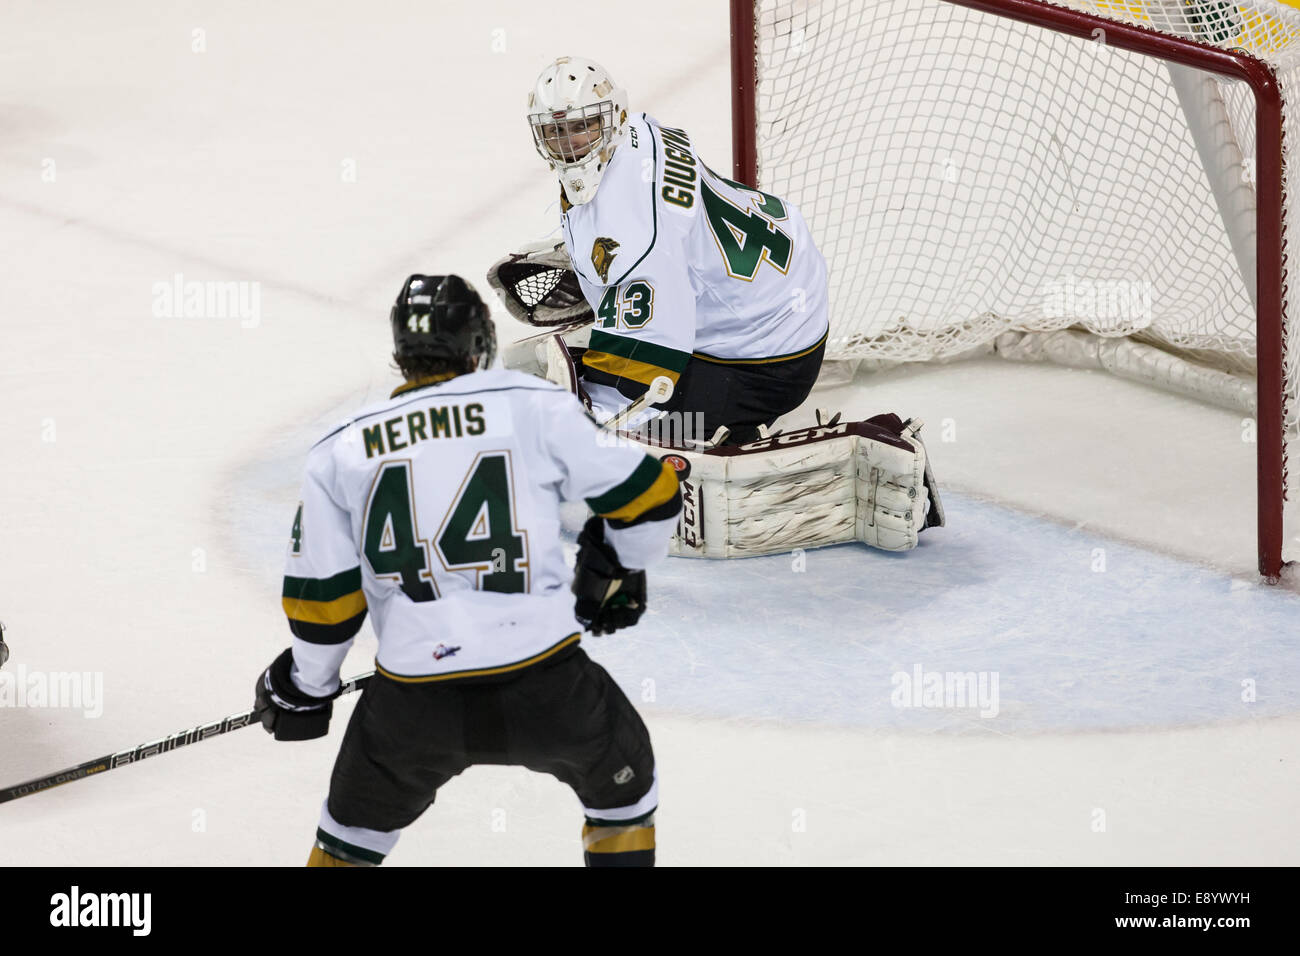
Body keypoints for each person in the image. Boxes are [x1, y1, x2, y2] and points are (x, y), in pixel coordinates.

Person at [252, 273, 680, 866]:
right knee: (623, 793)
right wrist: (618, 566)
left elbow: (325, 602)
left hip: (412, 705)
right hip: (549, 688)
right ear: (480, 344)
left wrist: (307, 687)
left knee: (349, 836)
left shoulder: (341, 448)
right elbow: (653, 496)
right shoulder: (531, 407)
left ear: (401, 355)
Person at [520, 56, 830, 444]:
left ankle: (735, 430)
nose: (570, 144)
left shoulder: (634, 236)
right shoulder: (637, 133)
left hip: (771, 361)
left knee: (635, 434)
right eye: (555, 131)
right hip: (781, 274)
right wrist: (596, 265)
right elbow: (666, 228)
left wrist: (594, 427)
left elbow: (647, 364)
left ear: (612, 115)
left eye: (583, 126)